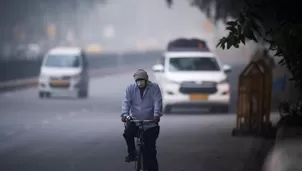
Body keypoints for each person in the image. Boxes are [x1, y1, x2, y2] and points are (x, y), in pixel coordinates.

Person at [121, 69, 163, 171]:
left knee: (150, 152)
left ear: (146, 80)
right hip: (135, 121)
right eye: (138, 80)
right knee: (127, 133)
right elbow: (126, 102)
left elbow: (157, 101)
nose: (140, 82)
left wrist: (156, 115)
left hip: (150, 123)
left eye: (142, 80)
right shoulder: (130, 88)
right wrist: (124, 114)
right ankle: (132, 153)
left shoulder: (154, 88)